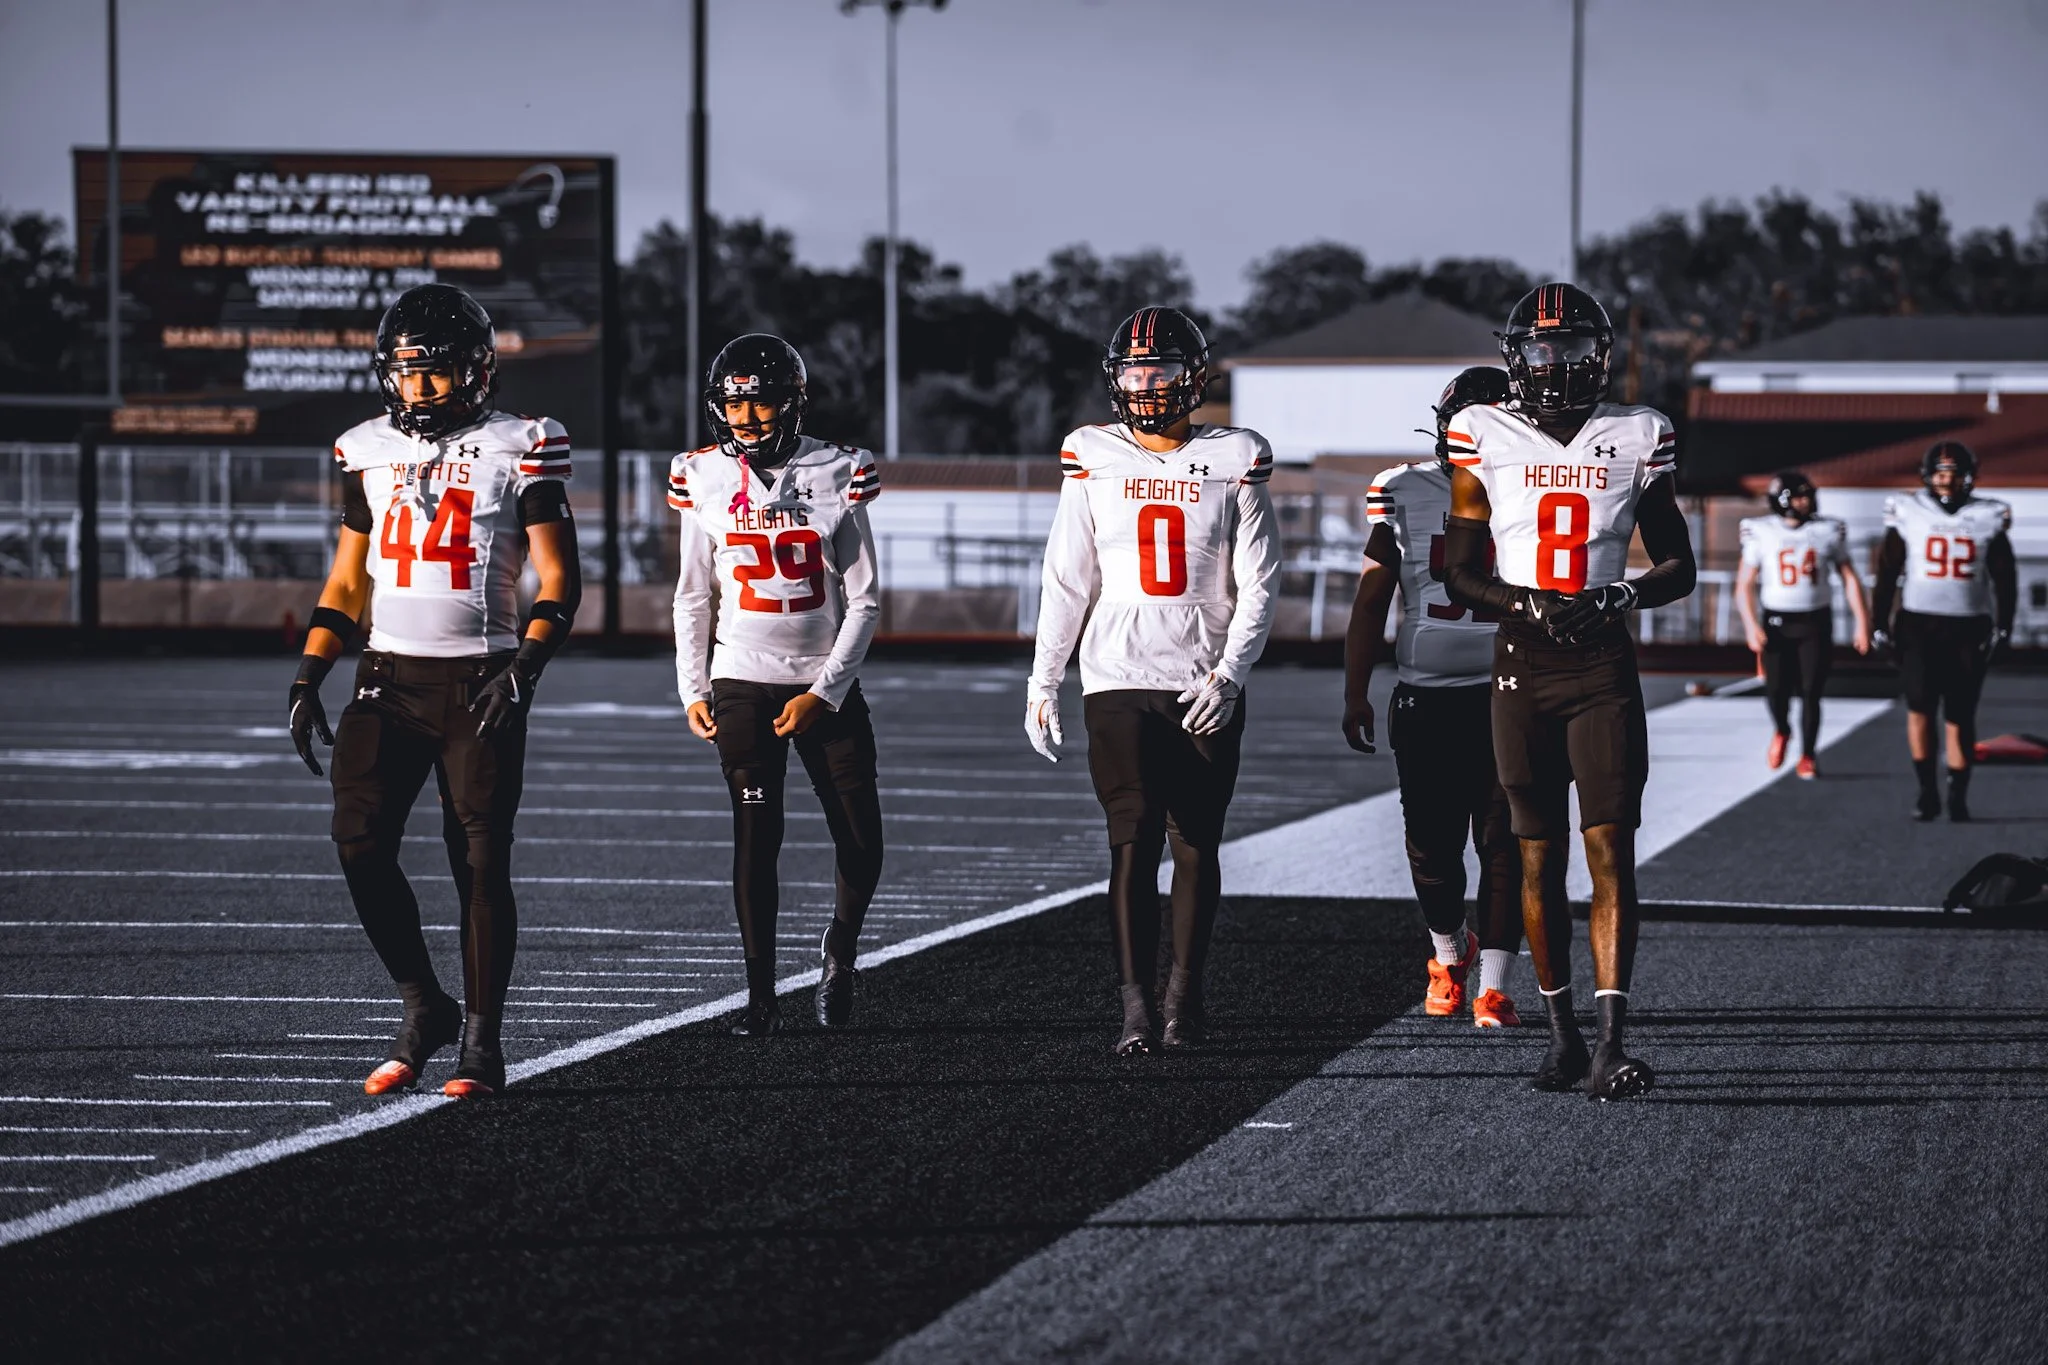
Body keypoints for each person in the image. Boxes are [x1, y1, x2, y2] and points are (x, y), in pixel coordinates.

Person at [289, 283, 581, 1100]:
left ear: (478, 371)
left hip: (479, 677)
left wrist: (523, 668)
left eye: (436, 371)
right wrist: (311, 668)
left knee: (479, 861)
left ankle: (481, 1045)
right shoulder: (363, 448)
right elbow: (349, 578)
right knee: (358, 841)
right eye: (407, 373)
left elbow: (559, 575)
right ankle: (425, 1004)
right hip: (384, 674)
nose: (419, 388)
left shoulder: (524, 442)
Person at [1438, 283, 1697, 1101]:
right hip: (1525, 661)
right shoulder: (1482, 432)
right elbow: (1461, 570)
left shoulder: (1637, 433)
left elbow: (1678, 562)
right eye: (1543, 351)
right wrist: (1524, 600)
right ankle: (1561, 1036)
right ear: (1517, 357)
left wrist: (1618, 594)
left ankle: (1613, 1039)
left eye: (1573, 349)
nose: (1557, 366)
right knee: (1537, 854)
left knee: (1611, 848)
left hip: (1601, 665)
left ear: (1602, 355)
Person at [1027, 306, 1280, 1055]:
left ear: (1193, 377)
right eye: (1135, 371)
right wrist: (1045, 678)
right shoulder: (1091, 453)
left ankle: (1185, 996)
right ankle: (1136, 1008)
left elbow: (1259, 583)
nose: (1147, 384)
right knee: (1131, 843)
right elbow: (1068, 578)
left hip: (1203, 677)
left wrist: (1232, 673)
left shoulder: (1236, 454)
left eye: (1161, 369)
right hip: (1116, 676)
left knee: (1196, 841)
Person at [672, 334, 885, 1035]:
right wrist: (693, 686)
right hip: (740, 679)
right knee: (755, 836)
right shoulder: (701, 475)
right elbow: (693, 594)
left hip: (822, 682)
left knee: (862, 840)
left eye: (761, 401)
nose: (748, 418)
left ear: (792, 402)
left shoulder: (837, 469)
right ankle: (760, 1000)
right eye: (735, 404)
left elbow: (865, 600)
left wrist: (824, 690)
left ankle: (840, 948)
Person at [1341, 365, 1524, 1028]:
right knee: (1431, 846)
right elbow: (1371, 600)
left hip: (1511, 692)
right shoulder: (1404, 489)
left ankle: (1495, 985)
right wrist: (1355, 689)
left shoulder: (1534, 489)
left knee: (1505, 844)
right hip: (1428, 696)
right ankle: (1449, 954)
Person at [1869, 441, 2016, 822]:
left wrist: (2005, 625)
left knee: (1960, 714)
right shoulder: (1908, 509)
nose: (1946, 481)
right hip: (1919, 624)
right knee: (1919, 707)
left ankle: (1958, 794)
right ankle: (1926, 791)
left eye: (1953, 474)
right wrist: (1878, 622)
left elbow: (2004, 577)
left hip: (1969, 626)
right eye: (1940, 474)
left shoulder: (1989, 514)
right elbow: (1887, 571)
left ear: (1968, 477)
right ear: (1928, 476)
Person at [1735, 469, 1872, 777]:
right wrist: (1750, 625)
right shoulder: (1761, 531)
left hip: (1815, 621)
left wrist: (1863, 623)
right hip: (1776, 622)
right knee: (1776, 691)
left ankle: (1808, 755)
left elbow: (1849, 578)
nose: (1806, 502)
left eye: (1808, 495)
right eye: (1799, 496)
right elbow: (1744, 583)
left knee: (1812, 691)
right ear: (1781, 500)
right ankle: (1782, 729)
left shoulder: (1829, 530)